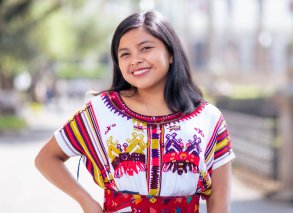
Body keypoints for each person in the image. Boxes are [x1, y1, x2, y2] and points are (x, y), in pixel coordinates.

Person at [35, 10, 235, 213]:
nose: (135, 60)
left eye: (145, 48)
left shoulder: (209, 119)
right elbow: (46, 158)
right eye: (125, 54)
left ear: (171, 53)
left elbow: (219, 203)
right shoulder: (101, 111)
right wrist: (86, 202)